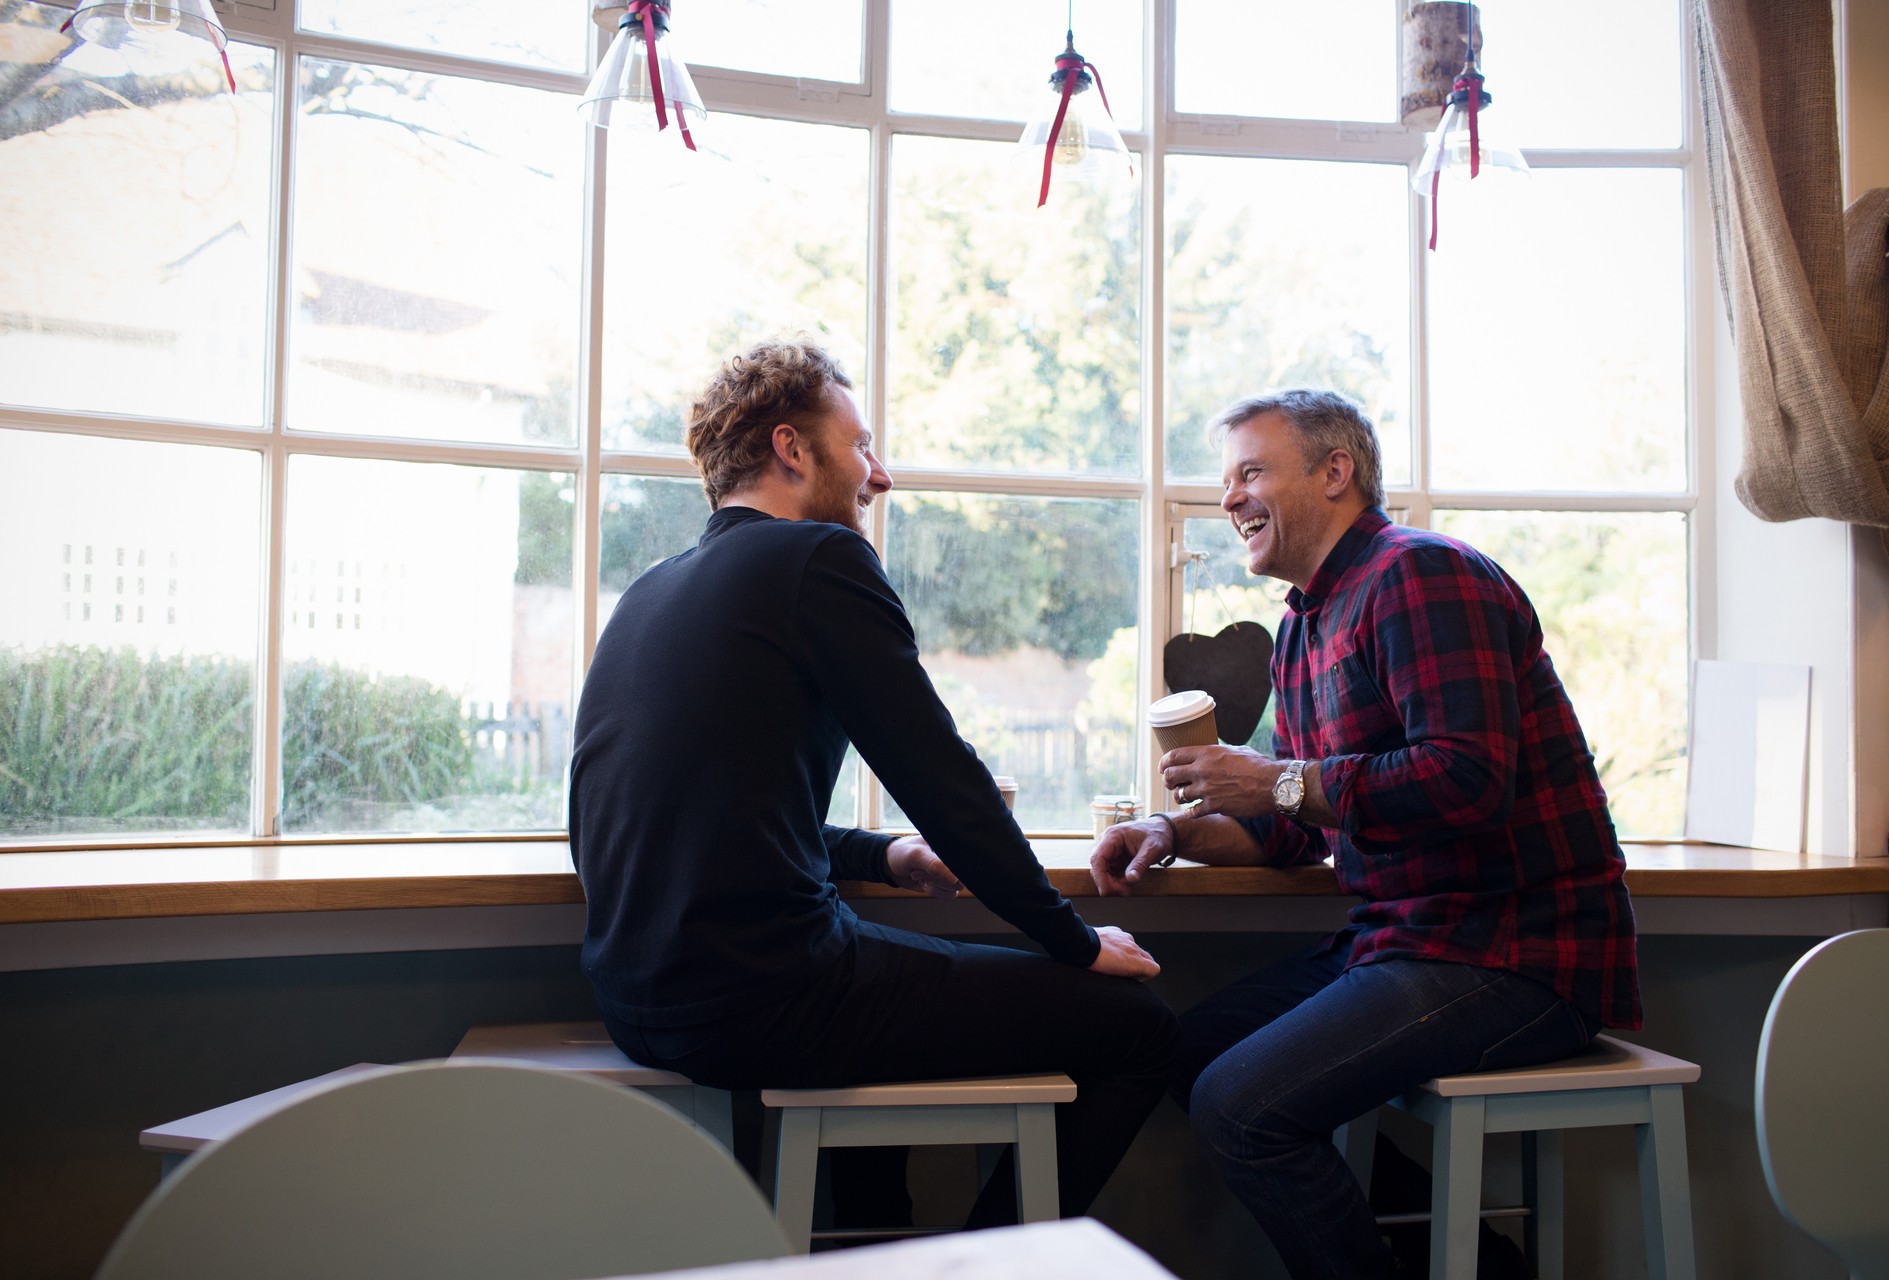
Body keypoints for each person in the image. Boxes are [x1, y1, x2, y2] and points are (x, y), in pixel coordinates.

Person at [569, 336, 1179, 1228]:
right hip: (768, 996)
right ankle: (973, 1262)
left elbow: (682, 814)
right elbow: (943, 776)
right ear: (791, 448)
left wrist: (884, 855)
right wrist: (1071, 938)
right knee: (1143, 1031)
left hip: (637, 1000)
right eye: (859, 445)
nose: (879, 474)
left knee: (891, 978)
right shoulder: (817, 559)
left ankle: (870, 1244)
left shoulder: (650, 591)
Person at [1089, 389, 1640, 1280]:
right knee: (1188, 1053)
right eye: (1225, 479)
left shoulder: (1422, 575)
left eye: (1252, 471)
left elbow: (1469, 778)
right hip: (1401, 942)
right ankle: (1477, 1266)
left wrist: (1271, 780)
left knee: (1241, 1107)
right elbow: (1301, 823)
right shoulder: (1302, 626)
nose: (1228, 497)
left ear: (1335, 472)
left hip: (1514, 954)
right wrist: (1176, 830)